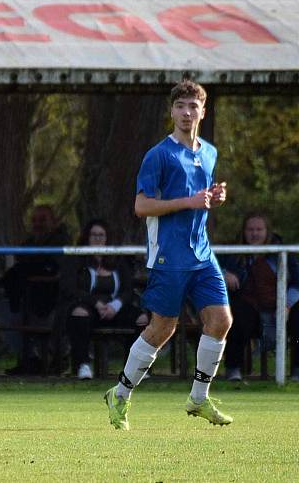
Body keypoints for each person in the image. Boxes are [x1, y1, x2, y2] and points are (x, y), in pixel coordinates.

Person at [105, 80, 233, 431]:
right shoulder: (159, 154)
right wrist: (188, 202)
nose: (187, 112)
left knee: (221, 320)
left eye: (193, 106)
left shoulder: (209, 152)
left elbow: (199, 198)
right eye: (181, 106)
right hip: (170, 256)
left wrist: (212, 198)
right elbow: (141, 206)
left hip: (202, 253)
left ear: (203, 111)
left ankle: (198, 397)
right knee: (163, 328)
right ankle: (119, 393)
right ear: (171, 110)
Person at [60, 219, 148, 380]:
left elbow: (128, 289)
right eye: (93, 235)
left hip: (115, 308)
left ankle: (133, 368)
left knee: (142, 318)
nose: (97, 239)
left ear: (107, 238)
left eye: (101, 235)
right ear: (87, 237)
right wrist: (95, 303)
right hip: (88, 306)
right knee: (78, 313)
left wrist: (115, 305)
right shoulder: (76, 259)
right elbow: (70, 288)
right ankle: (83, 365)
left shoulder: (118, 261)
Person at [220, 214, 299, 381]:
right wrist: (224, 273)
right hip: (251, 308)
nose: (254, 234)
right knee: (236, 315)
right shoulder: (234, 253)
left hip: (281, 307)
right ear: (243, 231)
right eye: (250, 229)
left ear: (267, 231)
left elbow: (297, 282)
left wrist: (287, 304)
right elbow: (210, 267)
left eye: (259, 229)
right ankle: (234, 371)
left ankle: (296, 373)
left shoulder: (281, 252)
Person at [3, 205, 70, 375]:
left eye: (42, 220)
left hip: (54, 297)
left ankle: (54, 360)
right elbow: (20, 259)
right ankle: (30, 360)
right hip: (27, 297)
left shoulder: (61, 241)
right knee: (4, 310)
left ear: (53, 222)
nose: (38, 224)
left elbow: (55, 269)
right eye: (34, 220)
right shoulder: (30, 242)